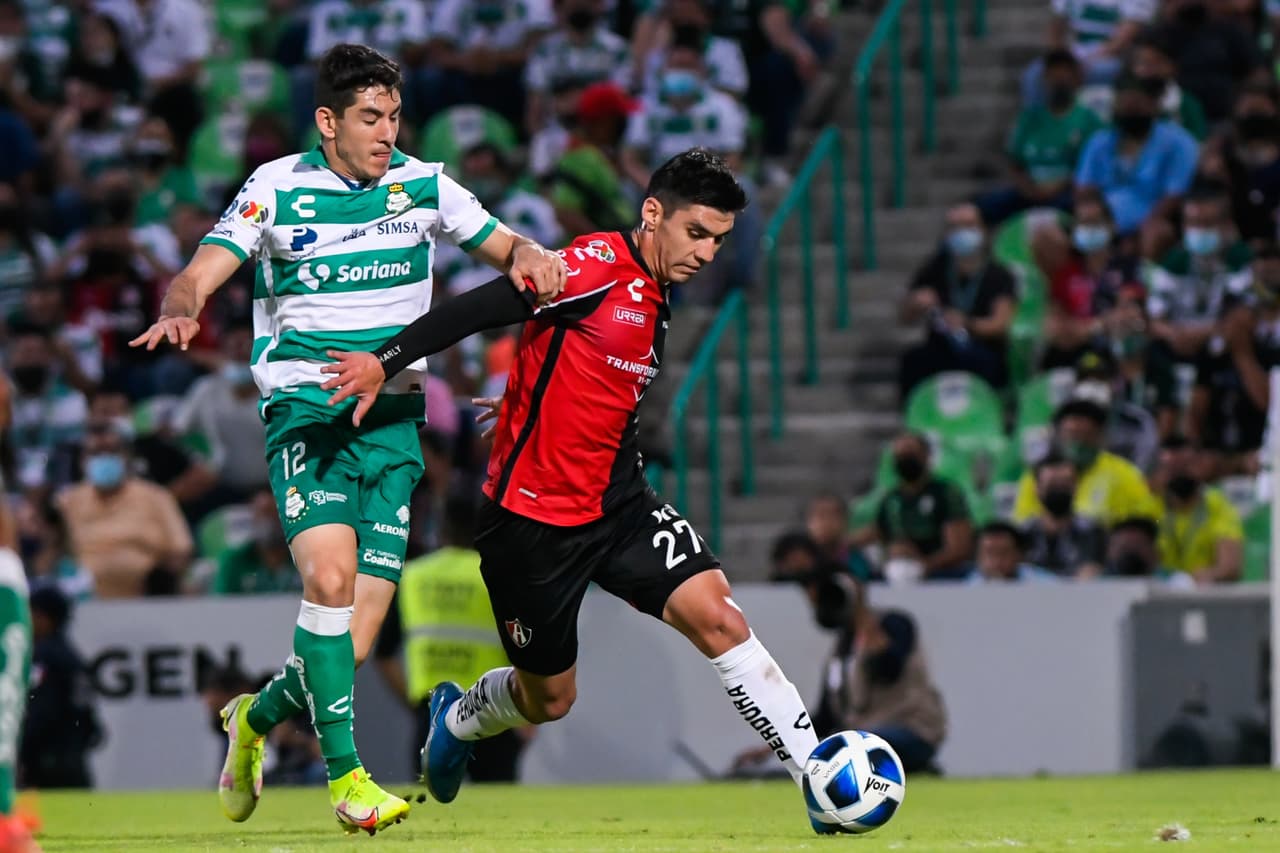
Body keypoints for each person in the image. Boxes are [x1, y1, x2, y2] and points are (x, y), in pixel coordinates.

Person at [126, 43, 565, 835]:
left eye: (394, 115)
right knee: (326, 582)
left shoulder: (423, 183)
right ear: (327, 121)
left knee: (349, 646)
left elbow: (506, 248)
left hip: (396, 424)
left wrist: (532, 256)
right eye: (370, 116)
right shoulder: (275, 187)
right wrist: (185, 300)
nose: (386, 131)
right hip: (308, 415)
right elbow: (204, 265)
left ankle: (251, 720)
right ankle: (347, 776)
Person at [321, 149, 827, 828]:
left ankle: (819, 778)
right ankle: (461, 716)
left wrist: (533, 401)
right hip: (530, 527)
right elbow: (480, 309)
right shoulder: (592, 266)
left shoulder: (657, 291)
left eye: (720, 240)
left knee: (721, 618)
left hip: (620, 505)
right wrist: (385, 363)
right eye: (698, 232)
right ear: (653, 214)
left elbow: (590, 374)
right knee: (550, 698)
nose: (708, 253)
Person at [374, 492, 525, 782]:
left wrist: (413, 703)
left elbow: (384, 656)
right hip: (495, 708)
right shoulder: (499, 574)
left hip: (432, 712)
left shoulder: (413, 576)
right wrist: (528, 713)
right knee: (499, 809)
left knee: (429, 804)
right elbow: (524, 647)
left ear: (442, 528)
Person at [898, 202, 1017, 399]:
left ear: (983, 231)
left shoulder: (999, 275)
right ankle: (913, 421)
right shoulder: (935, 270)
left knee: (985, 362)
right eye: (955, 227)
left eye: (969, 225)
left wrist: (966, 324)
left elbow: (1000, 324)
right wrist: (914, 304)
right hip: (941, 348)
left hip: (982, 347)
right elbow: (904, 317)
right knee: (913, 360)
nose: (962, 232)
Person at [1012, 398, 1159, 525]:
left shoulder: (1125, 475)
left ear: (1101, 437)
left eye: (1086, 435)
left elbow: (1147, 519)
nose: (1078, 443)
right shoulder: (1039, 475)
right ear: (1057, 435)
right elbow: (1023, 521)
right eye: (1072, 435)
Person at [849, 433, 973, 582]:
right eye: (899, 456)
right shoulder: (891, 498)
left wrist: (923, 565)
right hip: (897, 571)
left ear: (926, 456)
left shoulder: (945, 493)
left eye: (910, 453)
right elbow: (877, 531)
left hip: (941, 575)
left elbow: (959, 548)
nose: (904, 460)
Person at [1151, 436, 1242, 584]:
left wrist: (1199, 578)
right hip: (1159, 591)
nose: (1180, 474)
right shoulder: (1152, 506)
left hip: (1204, 593)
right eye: (1173, 469)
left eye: (1186, 467)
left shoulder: (1217, 505)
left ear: (1198, 467)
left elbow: (1230, 568)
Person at [1021, 451, 1108, 578]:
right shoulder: (1023, 535)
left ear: (1076, 486)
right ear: (1037, 488)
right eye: (1052, 484)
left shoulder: (1094, 533)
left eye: (1064, 484)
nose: (1059, 489)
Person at [969, 522, 1061, 583]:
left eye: (1003, 553)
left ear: (1019, 555)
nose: (997, 561)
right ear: (978, 557)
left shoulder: (1045, 584)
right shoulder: (965, 587)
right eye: (990, 553)